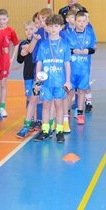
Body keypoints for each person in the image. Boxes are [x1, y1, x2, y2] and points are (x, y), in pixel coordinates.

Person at [34, 14, 72, 142]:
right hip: (46, 82)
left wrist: (68, 81)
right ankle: (45, 130)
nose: (53, 29)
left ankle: (59, 131)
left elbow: (67, 64)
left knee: (59, 105)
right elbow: (39, 62)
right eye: (50, 26)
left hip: (60, 82)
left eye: (56, 26)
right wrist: (38, 79)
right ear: (46, 28)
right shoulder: (43, 44)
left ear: (61, 27)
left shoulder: (65, 44)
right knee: (46, 105)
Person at [64, 11, 96, 125]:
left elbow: (93, 48)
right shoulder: (68, 35)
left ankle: (80, 114)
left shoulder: (90, 34)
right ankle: (66, 114)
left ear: (87, 22)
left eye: (84, 21)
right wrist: (73, 50)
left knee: (81, 91)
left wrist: (88, 50)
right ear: (75, 22)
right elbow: (65, 50)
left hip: (84, 69)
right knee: (70, 92)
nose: (81, 23)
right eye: (79, 21)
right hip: (72, 69)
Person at [15, 21, 42, 138]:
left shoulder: (39, 43)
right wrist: (22, 53)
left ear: (36, 29)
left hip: (38, 75)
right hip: (28, 75)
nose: (29, 31)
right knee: (29, 97)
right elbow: (19, 60)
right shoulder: (23, 43)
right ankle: (30, 120)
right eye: (27, 29)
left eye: (31, 29)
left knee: (38, 98)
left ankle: (39, 120)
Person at [0, 9, 19, 118]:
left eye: (4, 19)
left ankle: (2, 107)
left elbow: (16, 44)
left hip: (4, 62)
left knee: (3, 84)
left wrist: (12, 58)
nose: (1, 21)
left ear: (7, 19)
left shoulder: (10, 30)